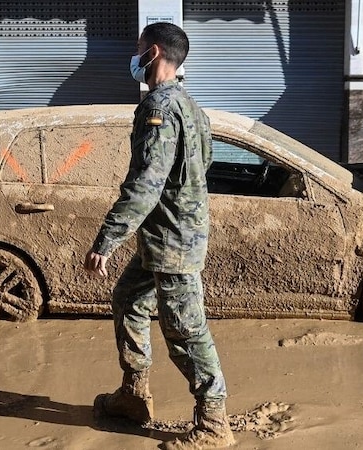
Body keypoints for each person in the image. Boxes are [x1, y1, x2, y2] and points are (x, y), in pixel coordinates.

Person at [83, 22, 235, 450]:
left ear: (152, 54)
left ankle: (213, 423)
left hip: (172, 241)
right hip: (166, 236)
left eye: (137, 50)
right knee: (128, 299)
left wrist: (107, 239)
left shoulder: (161, 109)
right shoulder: (191, 106)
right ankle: (134, 395)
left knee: (185, 329)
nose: (133, 58)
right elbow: (201, 166)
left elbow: (146, 183)